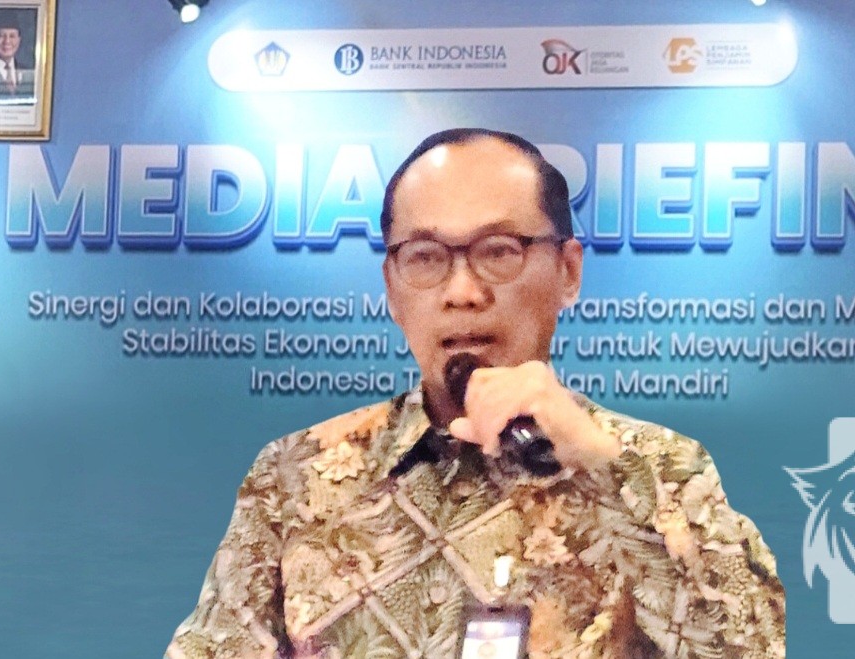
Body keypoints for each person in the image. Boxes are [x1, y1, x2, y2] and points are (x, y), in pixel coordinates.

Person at [165, 129, 786, 659]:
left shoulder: (662, 470)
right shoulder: (294, 476)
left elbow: (749, 646)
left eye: (498, 251)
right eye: (426, 257)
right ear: (392, 288)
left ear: (568, 272)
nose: (462, 292)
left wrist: (604, 470)